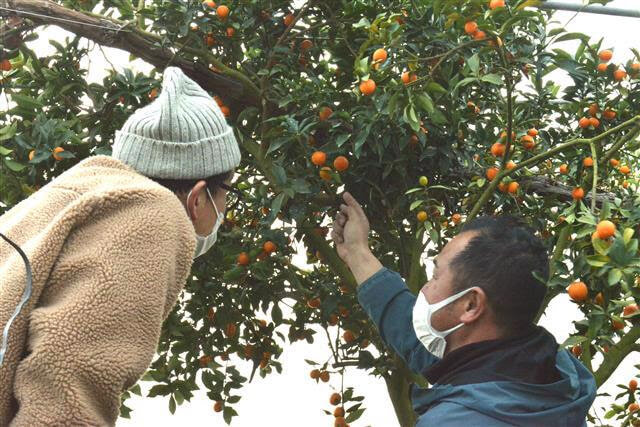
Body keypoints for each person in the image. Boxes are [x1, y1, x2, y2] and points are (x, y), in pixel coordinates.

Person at [0, 67, 241, 425]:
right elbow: (67, 378)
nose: (225, 211)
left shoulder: (73, 192)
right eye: (226, 195)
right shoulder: (152, 211)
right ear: (197, 198)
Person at [331, 192, 596, 426]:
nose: (424, 289)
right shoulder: (549, 377)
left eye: (435, 277)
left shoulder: (455, 420)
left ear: (470, 305)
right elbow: (419, 344)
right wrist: (357, 252)